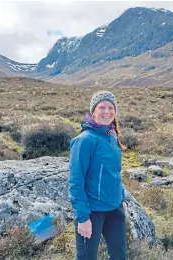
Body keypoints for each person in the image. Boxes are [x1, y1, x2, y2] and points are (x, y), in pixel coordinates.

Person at [69, 90, 127, 260]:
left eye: (111, 107)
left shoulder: (112, 137)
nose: (107, 111)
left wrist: (121, 198)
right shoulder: (84, 140)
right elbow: (75, 181)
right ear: (93, 111)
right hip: (92, 211)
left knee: (119, 255)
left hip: (114, 209)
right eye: (102, 107)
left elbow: (114, 173)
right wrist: (82, 217)